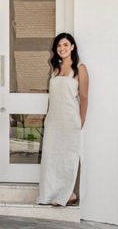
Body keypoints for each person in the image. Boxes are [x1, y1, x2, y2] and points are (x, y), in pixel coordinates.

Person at [38, 32, 89, 207]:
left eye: (66, 45)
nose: (62, 48)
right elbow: (51, 97)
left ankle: (69, 194)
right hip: (53, 120)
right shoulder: (55, 69)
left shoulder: (79, 68)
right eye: (59, 46)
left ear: (72, 47)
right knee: (51, 158)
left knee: (68, 158)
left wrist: (81, 121)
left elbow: (84, 97)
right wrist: (47, 117)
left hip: (70, 120)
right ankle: (51, 194)